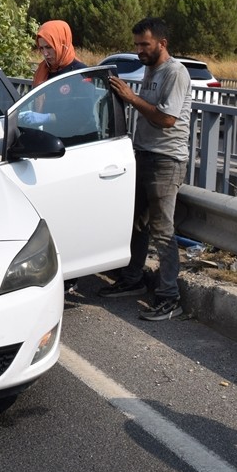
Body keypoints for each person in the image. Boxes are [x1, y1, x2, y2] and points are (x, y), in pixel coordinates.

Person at [99, 17, 193, 322]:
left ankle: (169, 297)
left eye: (145, 44)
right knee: (137, 223)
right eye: (137, 44)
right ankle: (133, 278)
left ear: (161, 44)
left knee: (162, 231)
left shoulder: (175, 72)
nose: (139, 50)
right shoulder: (151, 69)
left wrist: (131, 97)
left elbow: (167, 119)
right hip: (143, 155)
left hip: (166, 160)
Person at [19, 19, 89, 127]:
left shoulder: (81, 72)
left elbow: (83, 114)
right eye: (41, 48)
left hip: (79, 138)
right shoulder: (45, 70)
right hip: (52, 137)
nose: (45, 53)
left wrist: (48, 117)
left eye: (49, 47)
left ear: (62, 44)